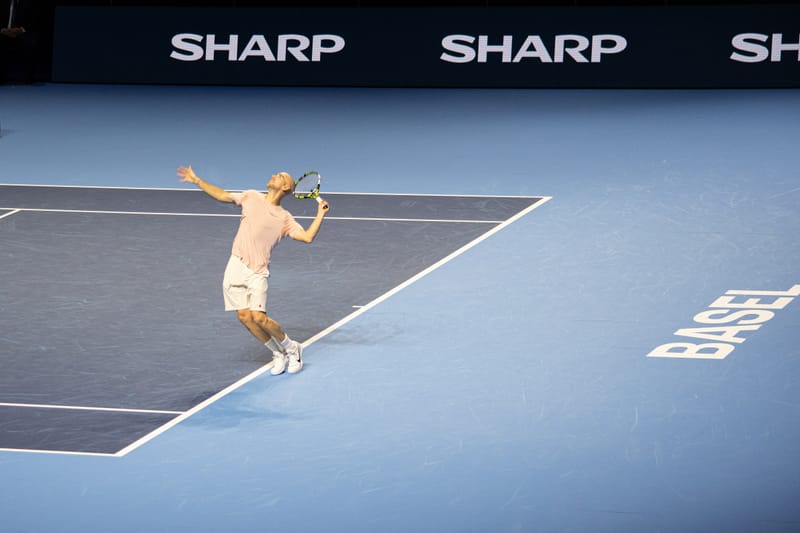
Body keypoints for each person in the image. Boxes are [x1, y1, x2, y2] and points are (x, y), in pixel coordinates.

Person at [177, 165, 330, 375]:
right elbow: (222, 195)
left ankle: (293, 348)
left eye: (280, 176)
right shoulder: (251, 196)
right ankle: (277, 353)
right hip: (236, 263)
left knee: (259, 317)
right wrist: (197, 180)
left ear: (285, 187)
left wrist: (320, 214)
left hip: (258, 271)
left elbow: (307, 237)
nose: (274, 174)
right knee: (244, 317)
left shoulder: (284, 218)